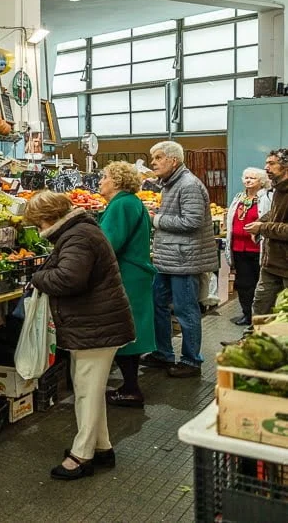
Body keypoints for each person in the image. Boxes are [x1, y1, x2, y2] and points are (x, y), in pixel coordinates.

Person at [26, 191, 135, 481]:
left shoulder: (78, 236)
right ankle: (102, 448)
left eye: (37, 223)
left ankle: (82, 455)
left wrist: (36, 277)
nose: (38, 229)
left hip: (95, 326)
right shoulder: (79, 231)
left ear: (47, 217)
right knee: (91, 389)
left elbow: (69, 278)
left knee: (86, 392)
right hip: (96, 324)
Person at [140, 141, 218, 378]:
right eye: (153, 157)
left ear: (173, 161)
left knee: (186, 310)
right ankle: (163, 353)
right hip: (168, 258)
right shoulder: (170, 184)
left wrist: (157, 219)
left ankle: (191, 361)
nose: (153, 162)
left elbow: (192, 222)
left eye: (158, 157)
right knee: (158, 304)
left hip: (184, 259)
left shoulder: (188, 185)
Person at [98, 162, 156, 408]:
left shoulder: (121, 204)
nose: (100, 181)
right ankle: (129, 386)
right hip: (136, 273)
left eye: (104, 177)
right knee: (133, 331)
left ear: (117, 182)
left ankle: (131, 389)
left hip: (126, 275)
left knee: (126, 332)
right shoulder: (131, 202)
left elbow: (108, 244)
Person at [225, 168, 272, 326]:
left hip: (258, 249)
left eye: (253, 178)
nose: (248, 180)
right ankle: (246, 314)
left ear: (261, 181)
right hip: (239, 248)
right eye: (246, 177)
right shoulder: (239, 197)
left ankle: (260, 316)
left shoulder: (266, 198)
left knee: (260, 285)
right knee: (244, 284)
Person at [246, 149, 288, 316]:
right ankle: (250, 340)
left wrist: (262, 228)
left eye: (271, 163)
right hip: (271, 264)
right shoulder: (278, 188)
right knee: (260, 307)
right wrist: (261, 221)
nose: (266, 167)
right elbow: (276, 214)